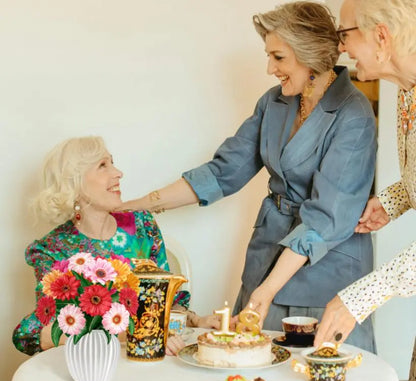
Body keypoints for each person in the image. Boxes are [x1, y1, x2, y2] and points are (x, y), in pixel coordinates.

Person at [121, 2, 378, 351]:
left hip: (326, 270)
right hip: (267, 256)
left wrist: (268, 289)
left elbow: (325, 219)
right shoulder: (274, 102)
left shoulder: (354, 115)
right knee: (253, 377)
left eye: (279, 58)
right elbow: (222, 172)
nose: (270, 68)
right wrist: (134, 206)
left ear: (309, 54)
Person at [12, 136, 218, 357]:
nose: (118, 173)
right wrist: (126, 335)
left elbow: (168, 303)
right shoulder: (52, 249)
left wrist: (197, 321)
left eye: (112, 162)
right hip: (90, 367)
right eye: (103, 165)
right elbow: (36, 332)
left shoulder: (142, 225)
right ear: (75, 182)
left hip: (147, 362)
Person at [311, 0, 416, 381]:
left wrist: (362, 296)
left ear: (382, 36)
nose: (341, 48)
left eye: (345, 34)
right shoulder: (407, 94)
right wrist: (392, 201)